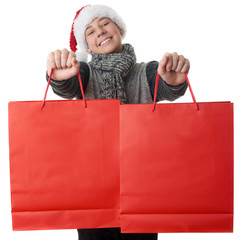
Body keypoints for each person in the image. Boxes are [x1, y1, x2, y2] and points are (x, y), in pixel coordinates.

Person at [46, 4, 190, 240]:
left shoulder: (148, 71)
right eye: (90, 32)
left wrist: (174, 81)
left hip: (142, 188)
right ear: (87, 47)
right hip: (93, 190)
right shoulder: (83, 73)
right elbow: (69, 84)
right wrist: (59, 75)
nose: (99, 31)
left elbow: (166, 85)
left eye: (104, 23)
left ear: (119, 28)